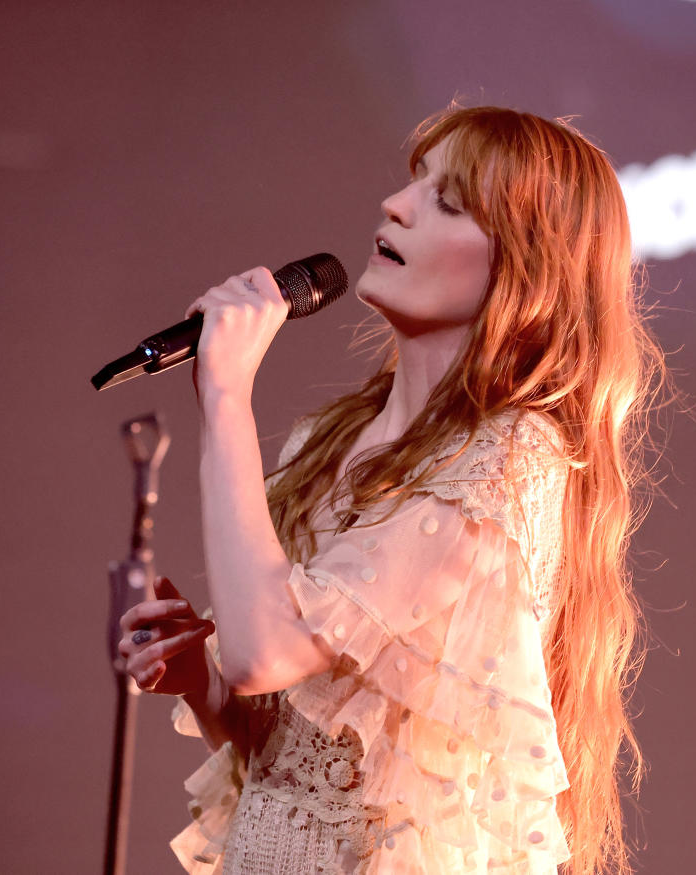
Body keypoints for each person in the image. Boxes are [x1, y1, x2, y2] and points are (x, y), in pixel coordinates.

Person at [117, 104, 666, 875]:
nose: (396, 205)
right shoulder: (329, 442)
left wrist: (228, 398)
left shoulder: (507, 459)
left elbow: (264, 650)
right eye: (415, 183)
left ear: (526, 270)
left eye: (448, 201)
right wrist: (200, 685)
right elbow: (303, 757)